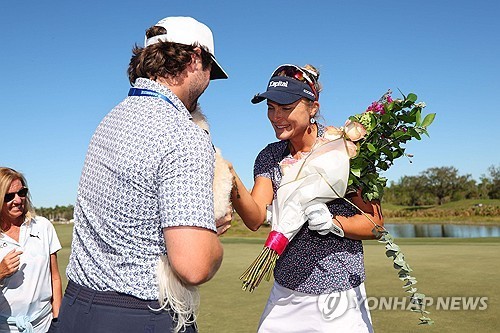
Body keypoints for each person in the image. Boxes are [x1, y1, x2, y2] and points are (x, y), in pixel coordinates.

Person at [55, 16, 229, 333]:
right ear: (194, 58)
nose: (207, 81)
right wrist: (211, 236)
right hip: (141, 315)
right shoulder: (184, 134)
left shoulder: (111, 118)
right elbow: (194, 264)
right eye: (209, 71)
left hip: (77, 306)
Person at [229, 64, 384, 332]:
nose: (276, 116)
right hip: (286, 293)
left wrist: (335, 224)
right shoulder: (269, 157)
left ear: (313, 107)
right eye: (271, 108)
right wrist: (229, 179)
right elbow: (255, 217)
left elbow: (375, 224)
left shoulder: (346, 150)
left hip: (339, 296)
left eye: (286, 108)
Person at [0, 167, 63, 333]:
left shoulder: (43, 226)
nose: (18, 200)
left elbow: (55, 278)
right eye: (9, 196)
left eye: (22, 192)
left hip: (46, 325)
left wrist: (58, 318)